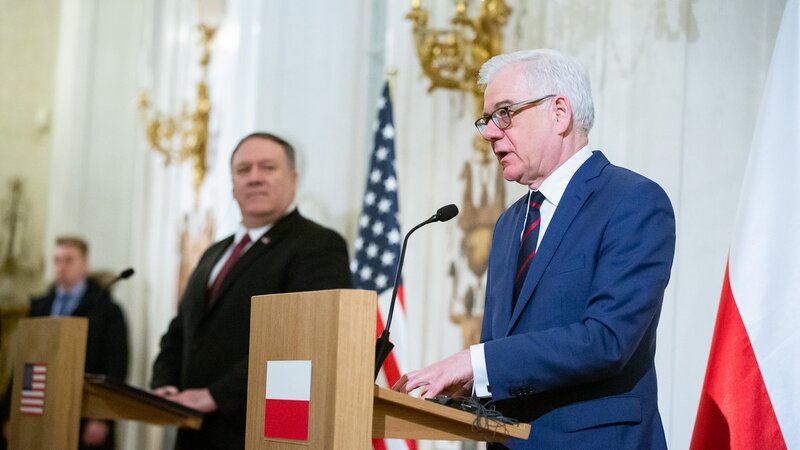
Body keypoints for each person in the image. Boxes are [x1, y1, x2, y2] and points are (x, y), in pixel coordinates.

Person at [394, 49, 676, 449]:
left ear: (559, 113)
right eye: (487, 120)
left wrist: (474, 363)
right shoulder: (510, 223)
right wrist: (463, 386)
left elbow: (607, 340)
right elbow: (505, 353)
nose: (490, 133)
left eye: (504, 113)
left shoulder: (632, 201)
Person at [150, 132, 353, 450]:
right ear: (232, 184)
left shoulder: (317, 245)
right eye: (243, 170)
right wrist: (164, 383)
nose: (254, 178)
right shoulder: (213, 252)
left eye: (268, 167)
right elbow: (182, 330)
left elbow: (301, 342)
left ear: (293, 179)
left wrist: (217, 396)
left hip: (257, 430)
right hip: (192, 427)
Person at [1, 236, 129, 450]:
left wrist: (103, 418)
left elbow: (116, 364)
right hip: (41, 409)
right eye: (57, 260)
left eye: (69, 260)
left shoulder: (107, 310)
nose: (61, 266)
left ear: (85, 264)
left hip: (83, 411)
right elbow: (24, 363)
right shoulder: (41, 306)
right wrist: (9, 412)